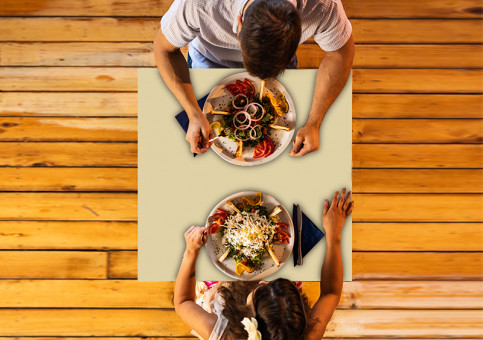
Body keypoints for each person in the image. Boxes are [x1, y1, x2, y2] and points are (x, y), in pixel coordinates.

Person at [154, 0, 355, 156]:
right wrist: (193, 113)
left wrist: (314, 123)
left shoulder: (323, 6)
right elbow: (163, 49)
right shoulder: (197, 5)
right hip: (208, 61)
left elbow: (341, 54)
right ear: (239, 23)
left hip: (281, 70)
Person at [174, 188, 353, 339]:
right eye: (275, 283)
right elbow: (331, 294)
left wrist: (191, 252)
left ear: (249, 319)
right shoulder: (306, 335)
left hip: (221, 291)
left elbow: (182, 302)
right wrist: (334, 235)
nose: (263, 281)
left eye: (262, 289)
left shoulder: (224, 334)